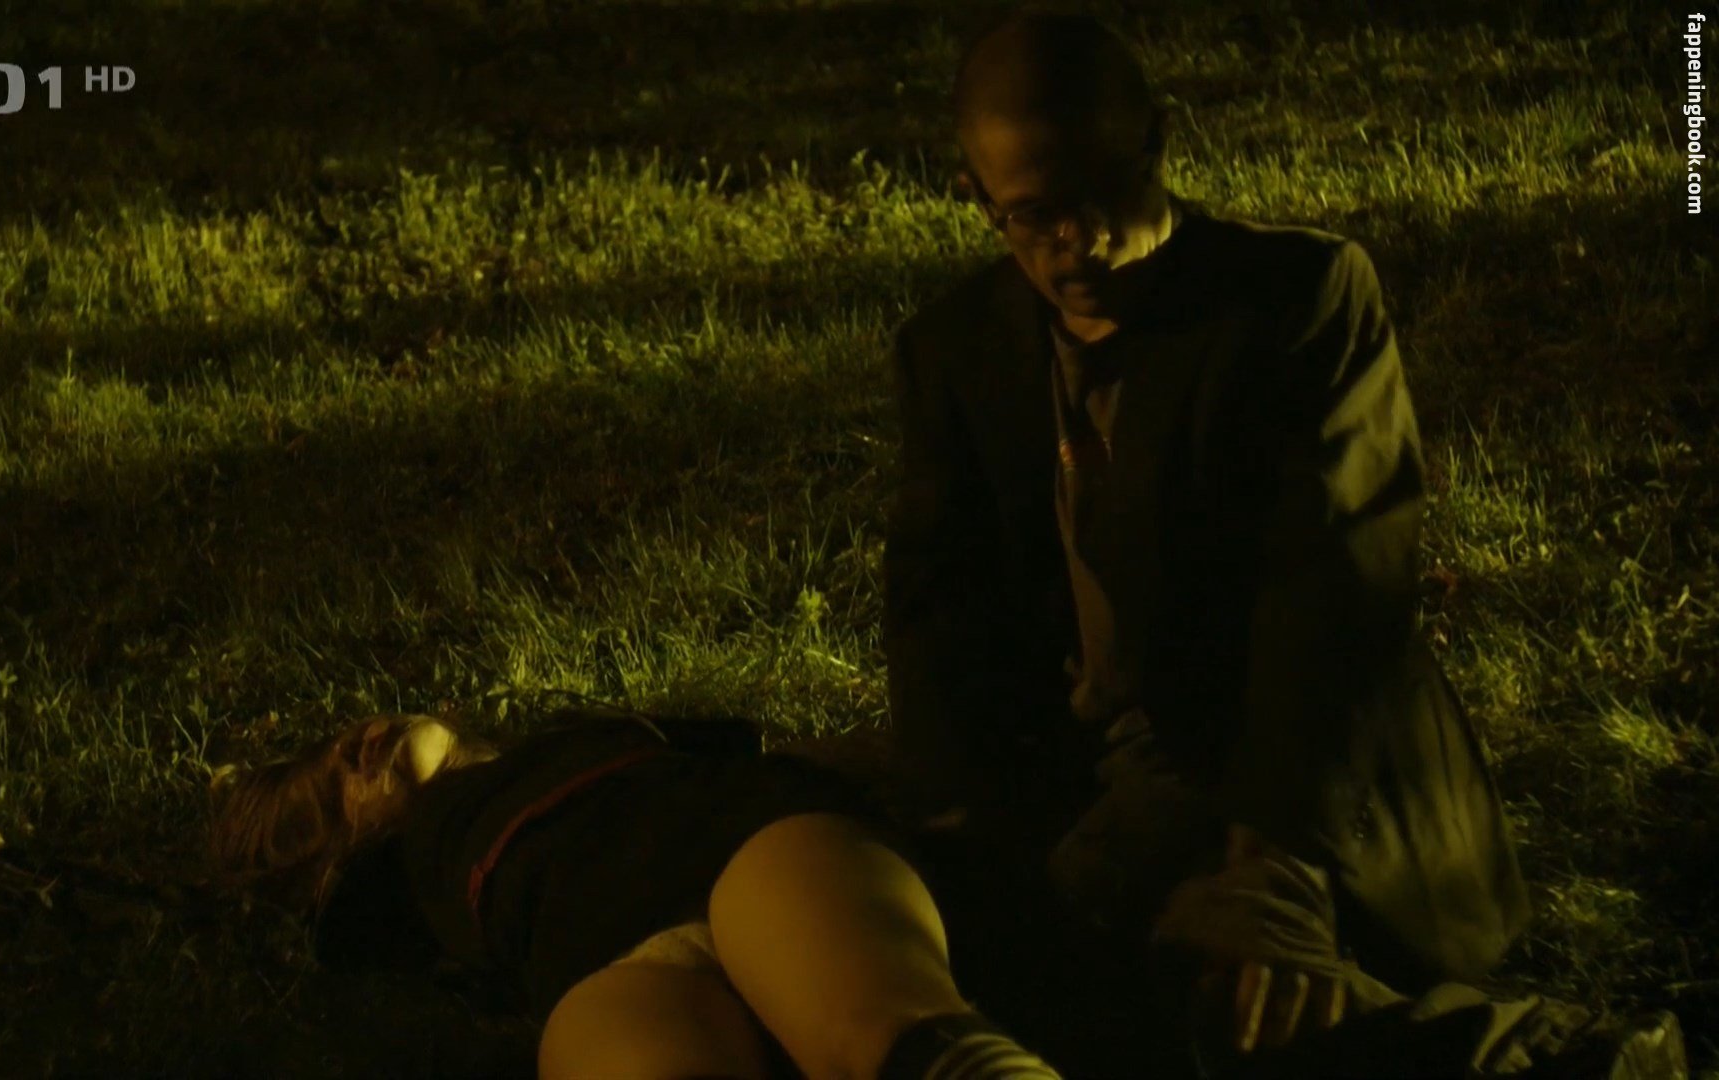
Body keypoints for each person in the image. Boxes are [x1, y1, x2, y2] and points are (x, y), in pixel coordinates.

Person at [879, 5, 1687, 1077]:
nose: (1077, 242)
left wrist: (1275, 862)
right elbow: (939, 614)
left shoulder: (1291, 300)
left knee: (1223, 990)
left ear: (1156, 144)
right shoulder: (958, 351)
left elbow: (1338, 587)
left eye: (1098, 193)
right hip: (1098, 777)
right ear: (978, 198)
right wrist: (965, 826)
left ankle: (1564, 1061)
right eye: (1032, 216)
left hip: (1289, 773)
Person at [208, 706, 1068, 1080]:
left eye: (341, 743)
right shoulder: (405, 888)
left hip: (734, 844)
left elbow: (758, 754)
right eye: (334, 790)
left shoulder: (584, 737)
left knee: (882, 1029)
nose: (354, 748)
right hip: (600, 960)